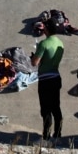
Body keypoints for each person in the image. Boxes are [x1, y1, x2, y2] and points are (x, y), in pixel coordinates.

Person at [31, 17, 65, 146]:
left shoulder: (43, 44)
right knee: (56, 107)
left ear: (46, 29)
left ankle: (45, 138)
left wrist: (34, 56)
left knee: (45, 109)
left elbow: (35, 63)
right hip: (56, 77)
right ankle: (57, 135)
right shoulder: (60, 43)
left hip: (46, 80)